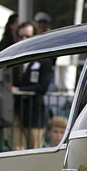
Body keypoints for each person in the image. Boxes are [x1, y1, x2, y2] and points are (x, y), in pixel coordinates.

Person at [11, 21, 54, 149]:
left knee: (34, 150)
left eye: (28, 36)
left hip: (34, 114)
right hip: (15, 112)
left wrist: (19, 90)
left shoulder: (44, 60)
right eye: (21, 36)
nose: (23, 39)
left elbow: (42, 87)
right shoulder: (14, 59)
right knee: (17, 150)